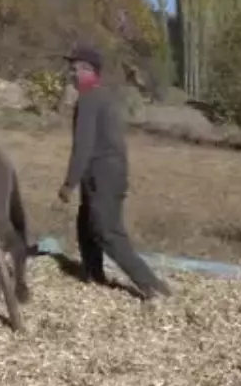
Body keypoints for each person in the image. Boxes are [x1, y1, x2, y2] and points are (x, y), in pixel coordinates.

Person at [57, 45, 172, 300]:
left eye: (74, 69)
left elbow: (83, 145)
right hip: (109, 172)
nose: (71, 74)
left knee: (107, 231)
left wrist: (69, 183)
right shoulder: (105, 97)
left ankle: (151, 285)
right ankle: (93, 274)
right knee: (86, 223)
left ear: (88, 71)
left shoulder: (89, 99)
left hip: (102, 175)